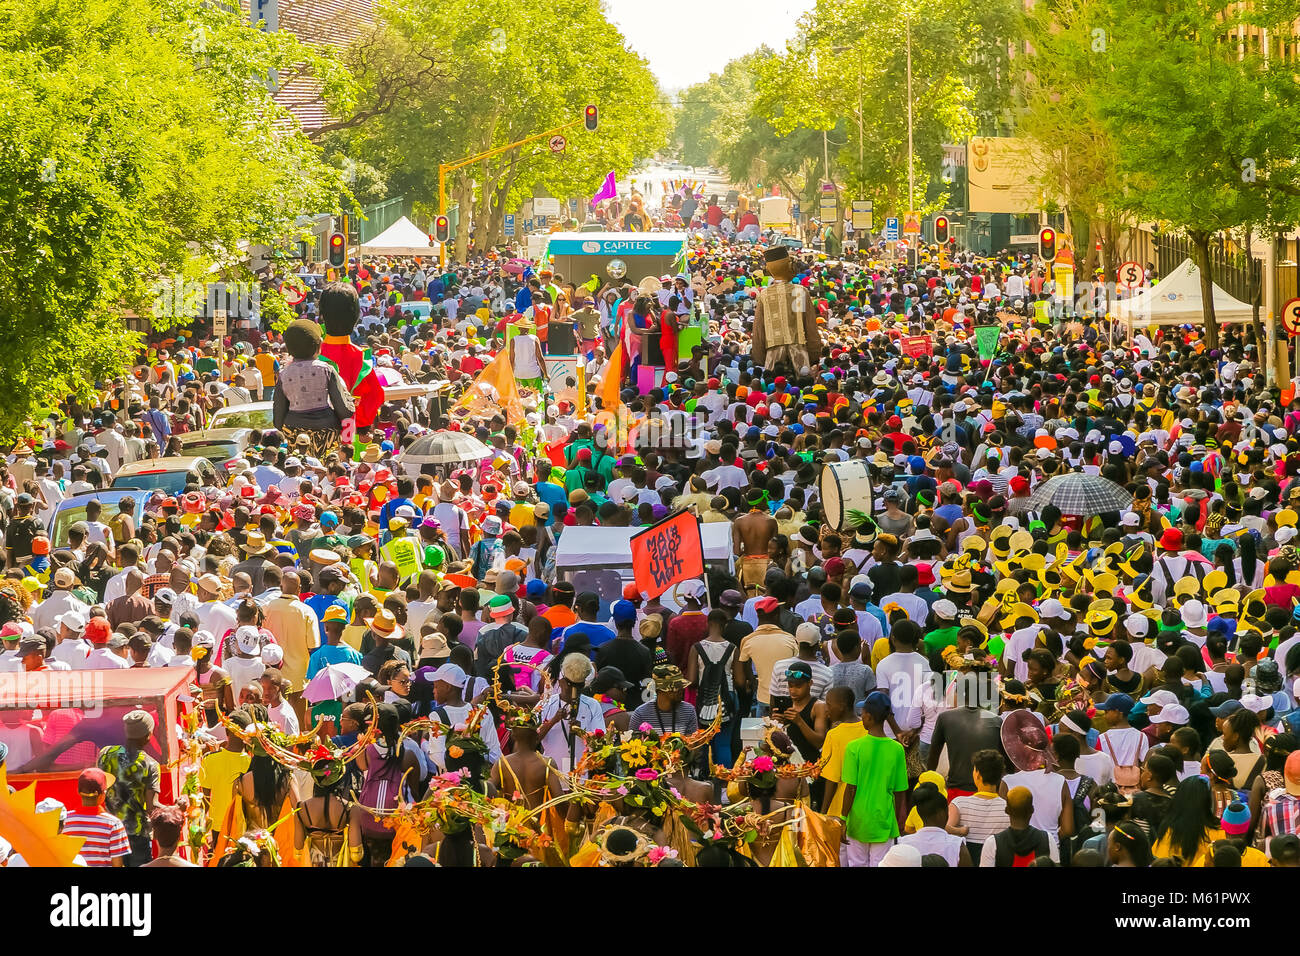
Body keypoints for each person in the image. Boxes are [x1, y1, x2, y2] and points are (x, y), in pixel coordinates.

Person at [839, 691, 908, 866]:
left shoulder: (854, 747)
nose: (861, 717)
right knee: (881, 864)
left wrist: (843, 819)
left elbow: (851, 788)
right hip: (884, 820)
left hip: (857, 820)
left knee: (856, 863)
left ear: (868, 717)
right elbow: (900, 791)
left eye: (862, 714)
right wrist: (899, 819)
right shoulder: (897, 749)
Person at [97, 709, 161, 867]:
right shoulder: (150, 764)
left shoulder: (105, 754)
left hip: (108, 831)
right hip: (137, 834)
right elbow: (152, 807)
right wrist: (177, 808)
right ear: (148, 736)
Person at [62, 769, 130, 867]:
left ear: (78, 791)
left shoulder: (64, 821)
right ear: (103, 794)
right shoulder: (114, 824)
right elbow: (117, 864)